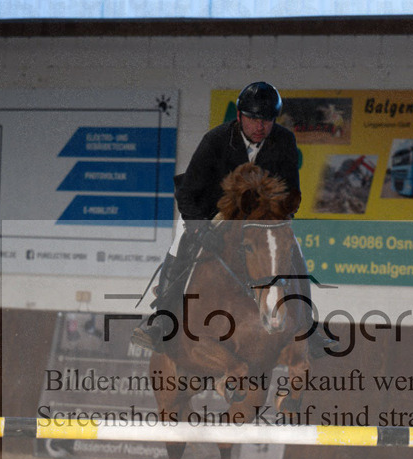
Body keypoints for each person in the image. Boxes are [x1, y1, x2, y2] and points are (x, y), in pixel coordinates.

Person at [133, 81, 334, 357]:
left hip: (260, 216)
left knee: (293, 249)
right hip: (210, 211)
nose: (259, 127)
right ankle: (161, 319)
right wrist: (199, 230)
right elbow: (188, 194)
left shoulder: (284, 140)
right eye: (253, 119)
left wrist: (280, 216)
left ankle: (308, 327)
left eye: (266, 120)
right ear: (239, 116)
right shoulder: (215, 140)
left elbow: (292, 191)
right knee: (179, 244)